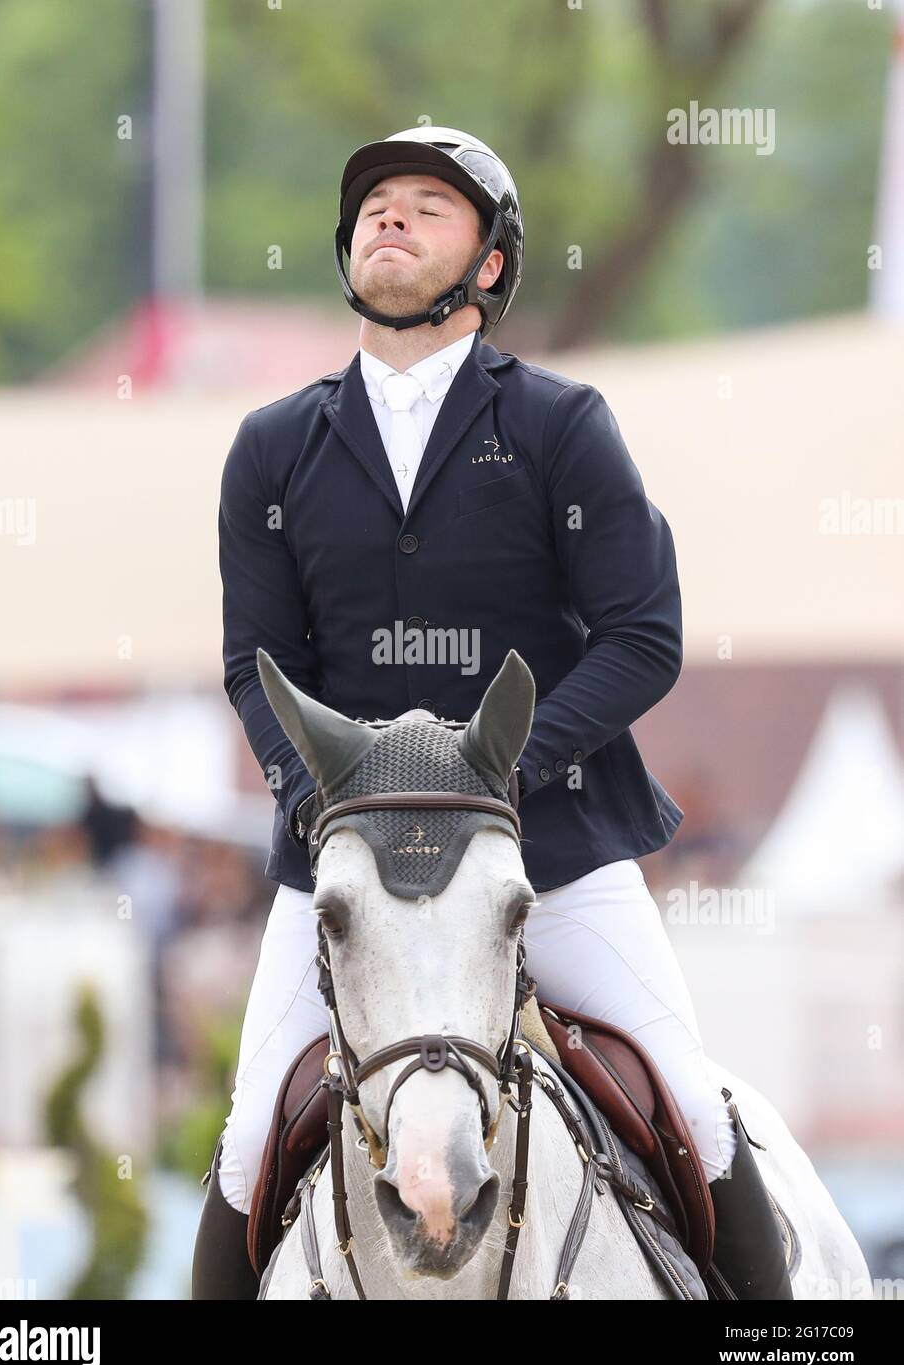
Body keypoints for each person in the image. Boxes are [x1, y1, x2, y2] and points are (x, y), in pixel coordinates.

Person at [192, 126, 792, 1300]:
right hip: (349, 872)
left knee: (693, 1106)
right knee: (251, 1134)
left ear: (490, 267)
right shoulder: (271, 448)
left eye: (427, 204)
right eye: (373, 203)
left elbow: (643, 637)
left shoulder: (563, 427)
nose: (390, 217)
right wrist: (328, 807)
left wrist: (506, 771)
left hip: (550, 851)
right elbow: (254, 663)